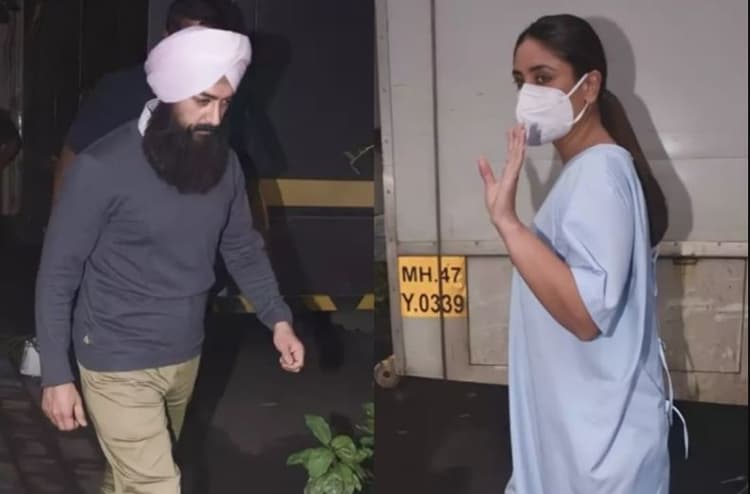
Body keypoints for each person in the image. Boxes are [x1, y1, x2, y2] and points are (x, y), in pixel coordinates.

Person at [35, 25, 305, 493]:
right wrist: (56, 374)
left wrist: (277, 319)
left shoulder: (223, 164)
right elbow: (58, 273)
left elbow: (242, 246)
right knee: (157, 485)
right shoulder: (101, 168)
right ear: (170, 90)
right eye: (203, 100)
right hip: (115, 355)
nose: (214, 118)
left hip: (184, 353)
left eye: (225, 103)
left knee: (130, 478)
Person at [477, 14, 686, 493]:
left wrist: (508, 223)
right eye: (521, 81)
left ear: (589, 86)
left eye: (543, 78)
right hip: (582, 439)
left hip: (598, 451)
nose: (528, 95)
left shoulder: (599, 174)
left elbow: (585, 314)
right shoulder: (589, 172)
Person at [51, 0, 231, 205]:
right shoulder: (120, 92)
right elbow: (71, 165)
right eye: (187, 43)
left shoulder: (223, 101)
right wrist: (63, 221)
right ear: (167, 39)